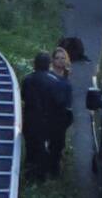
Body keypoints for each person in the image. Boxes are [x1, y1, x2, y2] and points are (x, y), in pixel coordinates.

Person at [20, 52, 56, 182]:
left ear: (34, 64)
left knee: (30, 147)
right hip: (46, 121)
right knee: (43, 146)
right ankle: (41, 174)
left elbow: (24, 97)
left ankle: (29, 172)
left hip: (30, 119)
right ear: (48, 65)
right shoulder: (53, 81)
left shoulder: (27, 80)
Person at [47, 47, 74, 177]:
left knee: (59, 145)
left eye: (63, 58)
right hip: (50, 116)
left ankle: (55, 169)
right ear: (53, 60)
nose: (60, 61)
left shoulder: (67, 77)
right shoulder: (49, 77)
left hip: (63, 117)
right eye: (57, 58)